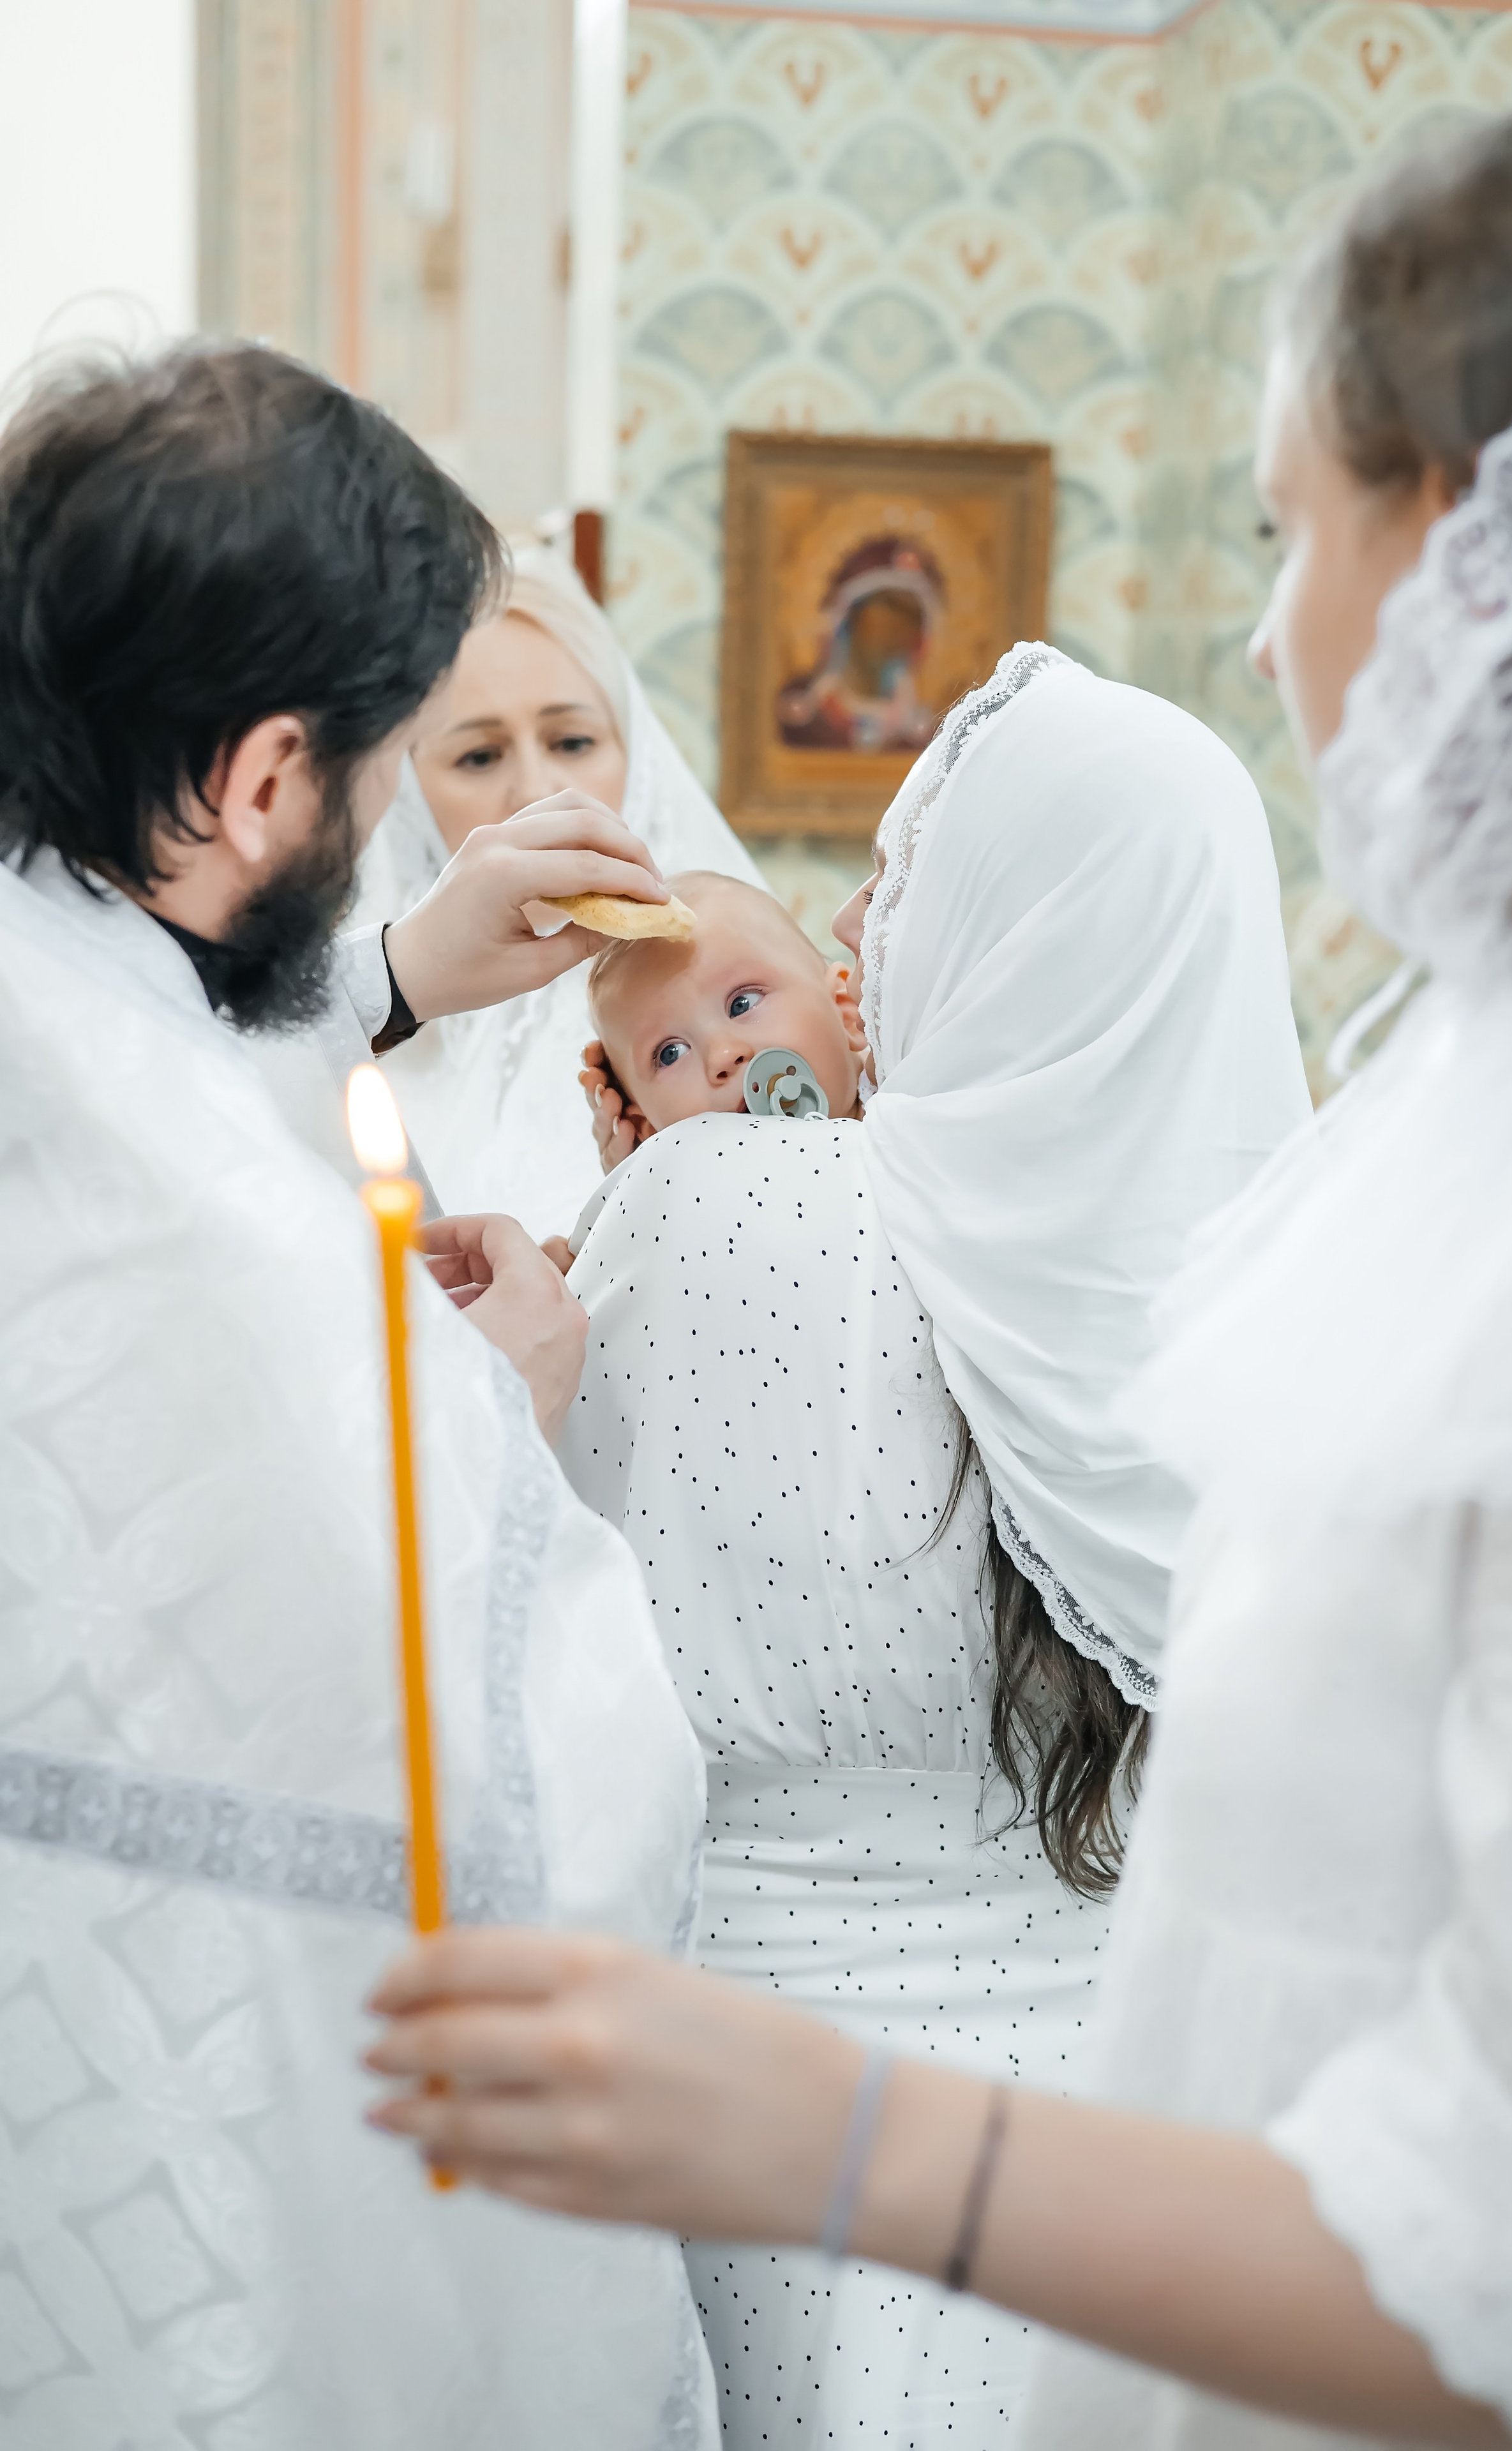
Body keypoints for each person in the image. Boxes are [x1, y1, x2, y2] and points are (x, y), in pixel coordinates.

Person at [366, 100, 1512, 2451]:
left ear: (1460, 540)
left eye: (1281, 527)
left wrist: (844, 2139)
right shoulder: (1429, 1135)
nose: (1263, 627)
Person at [0, 342, 719, 2450]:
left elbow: (151, 1012)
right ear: (260, 785)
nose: (413, 813)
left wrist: (392, 977)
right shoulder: (245, 1278)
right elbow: (563, 1818)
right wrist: (478, 1417)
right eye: (402, 756)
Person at [550, 641, 1308, 2444]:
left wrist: (634, 1194)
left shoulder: (714, 1201)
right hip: (1128, 2116)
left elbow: (562, 1582)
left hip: (763, 2091)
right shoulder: (1257, 1267)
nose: (870, 924)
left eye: (900, 877)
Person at [349, 541, 762, 1231]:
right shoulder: (347, 1022)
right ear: (412, 797)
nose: (537, 790)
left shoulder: (741, 997)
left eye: (571, 742)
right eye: (479, 755)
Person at [579, 868, 869, 1146]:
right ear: (649, 1131)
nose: (722, 1056)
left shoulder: (905, 1093)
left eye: (742, 1004)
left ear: (846, 1013)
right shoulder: (686, 1193)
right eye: (670, 1053)